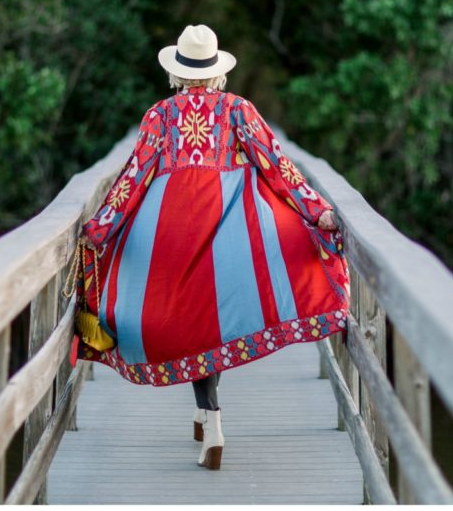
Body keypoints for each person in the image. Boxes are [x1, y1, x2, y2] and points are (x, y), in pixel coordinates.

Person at [75, 24, 350, 471]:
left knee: (190, 321)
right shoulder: (239, 109)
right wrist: (315, 209)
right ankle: (210, 420)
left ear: (178, 74)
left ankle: (210, 418)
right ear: (217, 73)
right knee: (212, 319)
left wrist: (101, 228)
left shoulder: (159, 116)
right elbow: (276, 164)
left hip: (170, 229)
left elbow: (133, 178)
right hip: (228, 226)